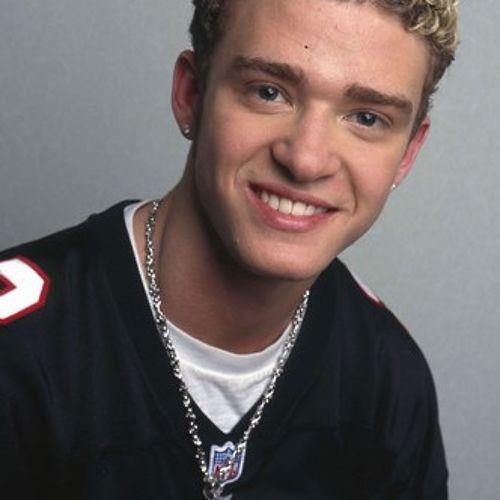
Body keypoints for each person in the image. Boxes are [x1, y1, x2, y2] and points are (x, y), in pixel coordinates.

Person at [0, 0, 458, 498]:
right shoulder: (21, 346)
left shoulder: (388, 377)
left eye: (367, 118)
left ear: (408, 153)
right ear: (191, 94)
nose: (306, 160)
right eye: (269, 92)